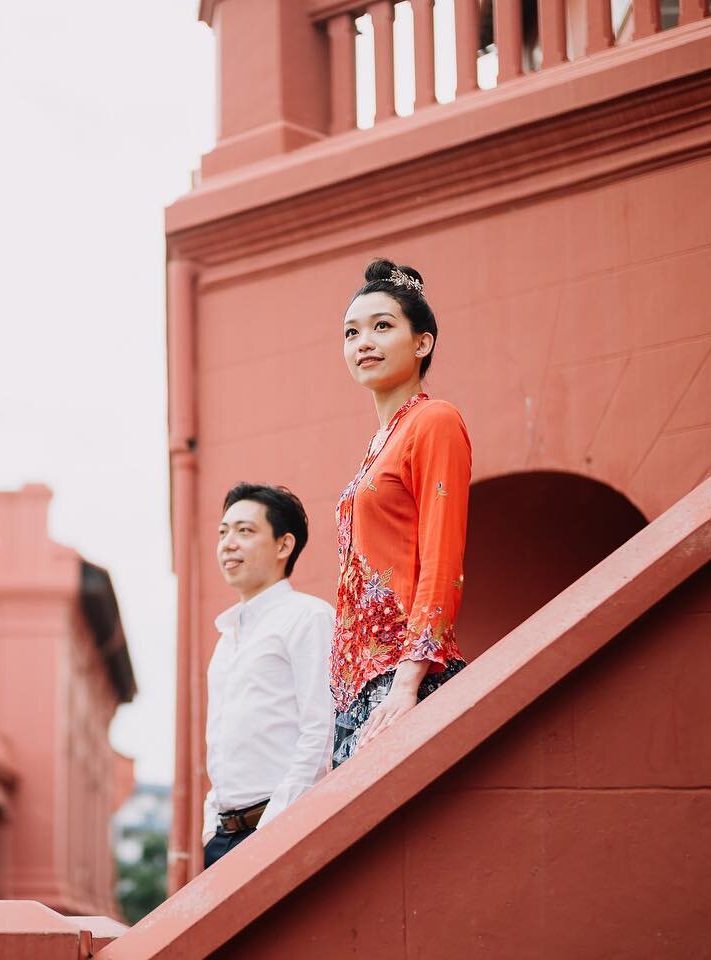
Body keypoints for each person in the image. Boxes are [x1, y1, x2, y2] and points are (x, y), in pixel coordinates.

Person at [330, 259, 471, 769]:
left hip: (405, 676)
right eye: (352, 332)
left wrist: (408, 682)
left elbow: (442, 555)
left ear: (422, 343)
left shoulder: (434, 421)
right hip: (356, 687)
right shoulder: (376, 445)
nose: (363, 341)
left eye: (382, 326)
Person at [203, 483, 334, 868]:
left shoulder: (308, 617)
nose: (228, 543)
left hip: (276, 832)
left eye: (245, 531)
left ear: (283, 545)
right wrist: (212, 824)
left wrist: (273, 829)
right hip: (223, 838)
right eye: (223, 532)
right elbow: (222, 741)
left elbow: (321, 731)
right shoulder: (226, 638)